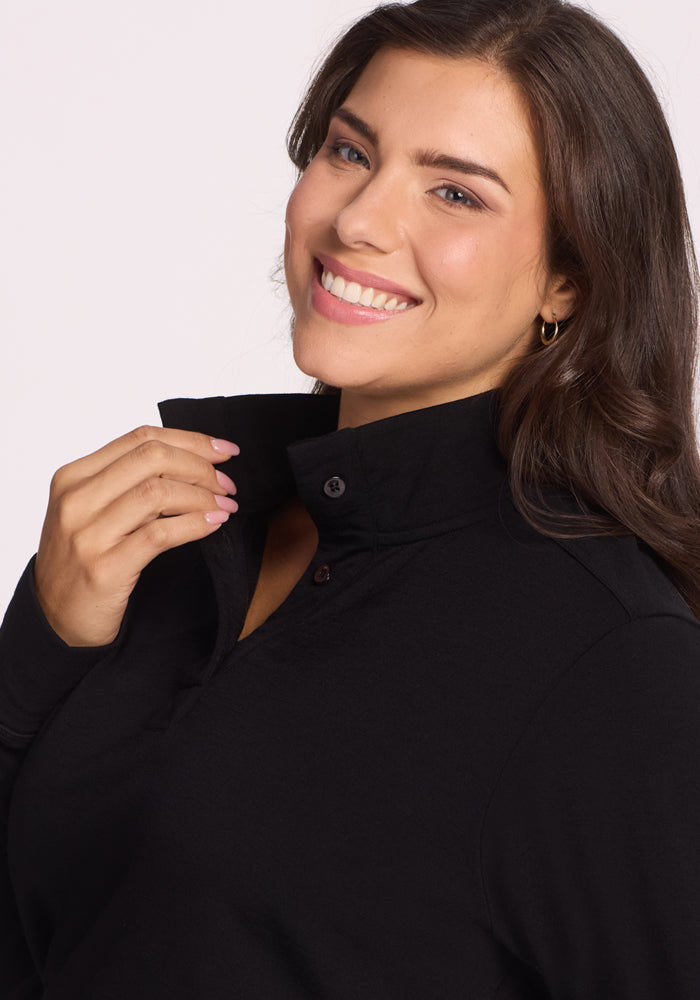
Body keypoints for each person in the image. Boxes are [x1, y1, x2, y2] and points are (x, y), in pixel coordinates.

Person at [1, 0, 699, 995]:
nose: (359, 219)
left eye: (455, 193)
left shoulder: (613, 663)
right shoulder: (173, 530)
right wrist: (45, 642)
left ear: (569, 283)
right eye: (348, 151)